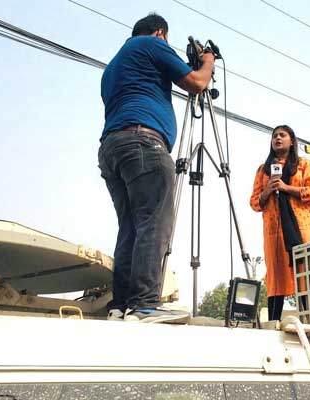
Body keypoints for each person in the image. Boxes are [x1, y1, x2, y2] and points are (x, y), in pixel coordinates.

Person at [98, 13, 215, 323]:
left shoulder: (113, 67)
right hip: (144, 143)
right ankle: (144, 304)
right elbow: (196, 83)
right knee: (154, 222)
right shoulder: (151, 44)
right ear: (161, 33)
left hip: (112, 149)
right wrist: (208, 60)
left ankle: (120, 305)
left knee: (131, 227)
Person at [250, 125, 310, 320]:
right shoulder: (263, 171)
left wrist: (286, 187)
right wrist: (269, 189)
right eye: (274, 136)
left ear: (292, 141)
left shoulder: (303, 164)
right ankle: (274, 323)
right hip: (274, 233)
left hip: (302, 229)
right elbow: (255, 202)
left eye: (282, 135)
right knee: (276, 276)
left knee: (305, 275)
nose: (277, 138)